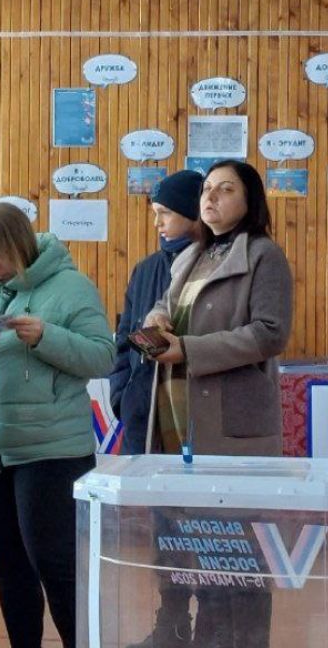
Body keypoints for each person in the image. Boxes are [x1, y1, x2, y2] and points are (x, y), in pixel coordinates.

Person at [139, 159, 293, 648]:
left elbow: (270, 334)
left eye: (225, 190)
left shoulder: (265, 255)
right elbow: (165, 308)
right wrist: (158, 325)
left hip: (230, 427)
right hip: (177, 422)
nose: (210, 198)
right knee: (193, 549)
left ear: (249, 201)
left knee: (235, 558)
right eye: (207, 189)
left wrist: (190, 349)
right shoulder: (191, 255)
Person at [0, 203, 115, 648]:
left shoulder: (70, 287)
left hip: (50, 453)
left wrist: (48, 336)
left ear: (22, 245)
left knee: (54, 563)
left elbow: (102, 356)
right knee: (8, 563)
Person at [109, 170, 203, 455]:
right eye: (154, 213)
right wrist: (122, 397)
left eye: (165, 213)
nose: (156, 223)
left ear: (192, 213)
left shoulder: (214, 266)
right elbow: (125, 337)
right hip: (141, 415)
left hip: (192, 412)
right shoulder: (146, 269)